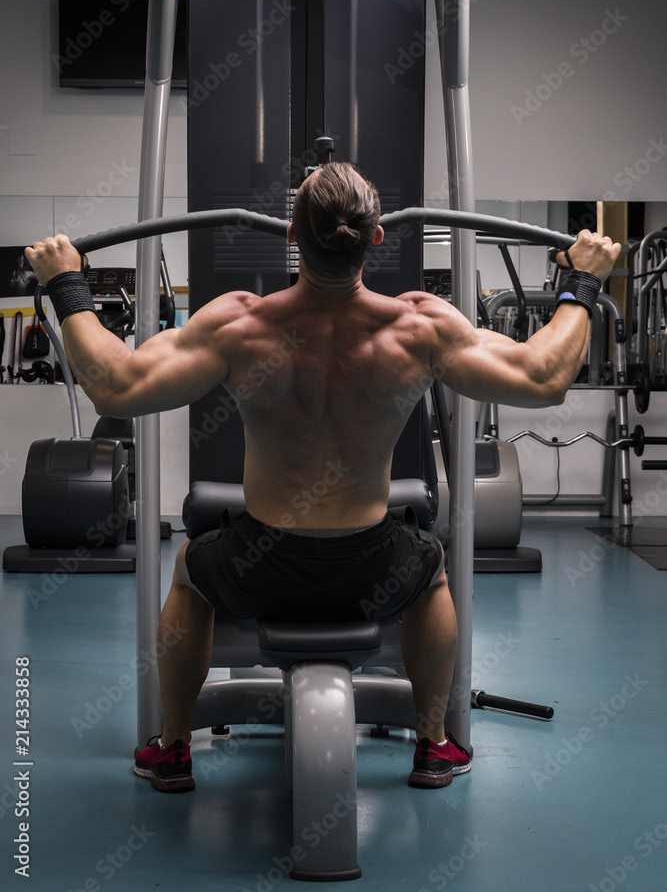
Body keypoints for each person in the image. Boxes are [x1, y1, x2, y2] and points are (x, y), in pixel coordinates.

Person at [26, 162, 620, 792]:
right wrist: (580, 282)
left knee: (191, 568)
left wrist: (66, 285)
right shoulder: (420, 327)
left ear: (291, 235)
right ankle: (435, 742)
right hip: (374, 570)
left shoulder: (240, 324)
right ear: (377, 238)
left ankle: (172, 747)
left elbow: (115, 384)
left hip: (259, 566)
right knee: (430, 568)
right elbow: (544, 376)